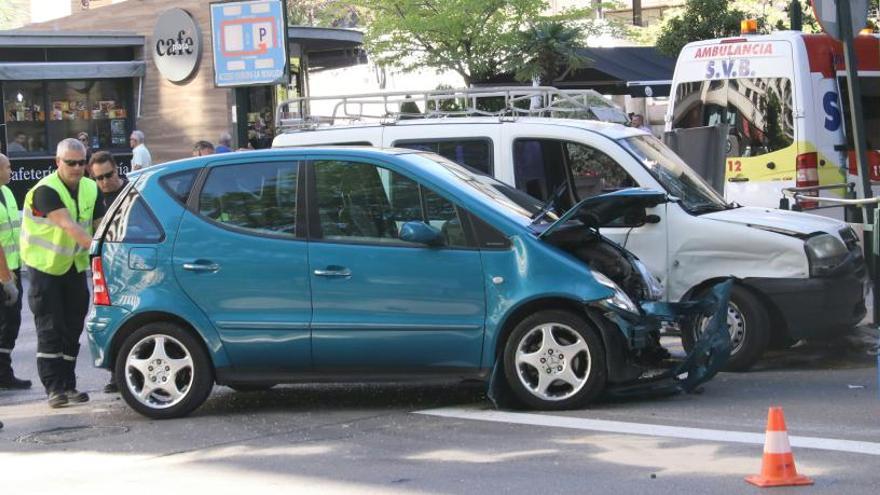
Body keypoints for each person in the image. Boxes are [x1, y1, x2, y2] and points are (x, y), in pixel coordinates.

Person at [21, 138, 105, 408]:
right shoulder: (45, 190)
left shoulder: (91, 188)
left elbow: (100, 225)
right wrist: (102, 252)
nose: (77, 168)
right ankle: (54, 388)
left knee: (72, 328)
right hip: (44, 269)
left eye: (81, 162)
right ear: (58, 162)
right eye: (70, 163)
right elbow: (70, 226)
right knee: (50, 328)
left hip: (73, 268)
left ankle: (69, 385)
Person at [89, 151, 127, 394]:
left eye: (108, 175)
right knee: (110, 319)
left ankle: (121, 373)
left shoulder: (131, 190)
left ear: (117, 169)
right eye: (98, 178)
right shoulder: (93, 196)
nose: (104, 182)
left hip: (130, 260)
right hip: (105, 264)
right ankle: (115, 374)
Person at [0, 153, 29, 390]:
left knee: (11, 322)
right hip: (2, 274)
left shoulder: (8, 193)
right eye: (8, 167)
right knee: (5, 322)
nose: (11, 170)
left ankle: (4, 371)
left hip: (13, 269)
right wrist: (5, 277)